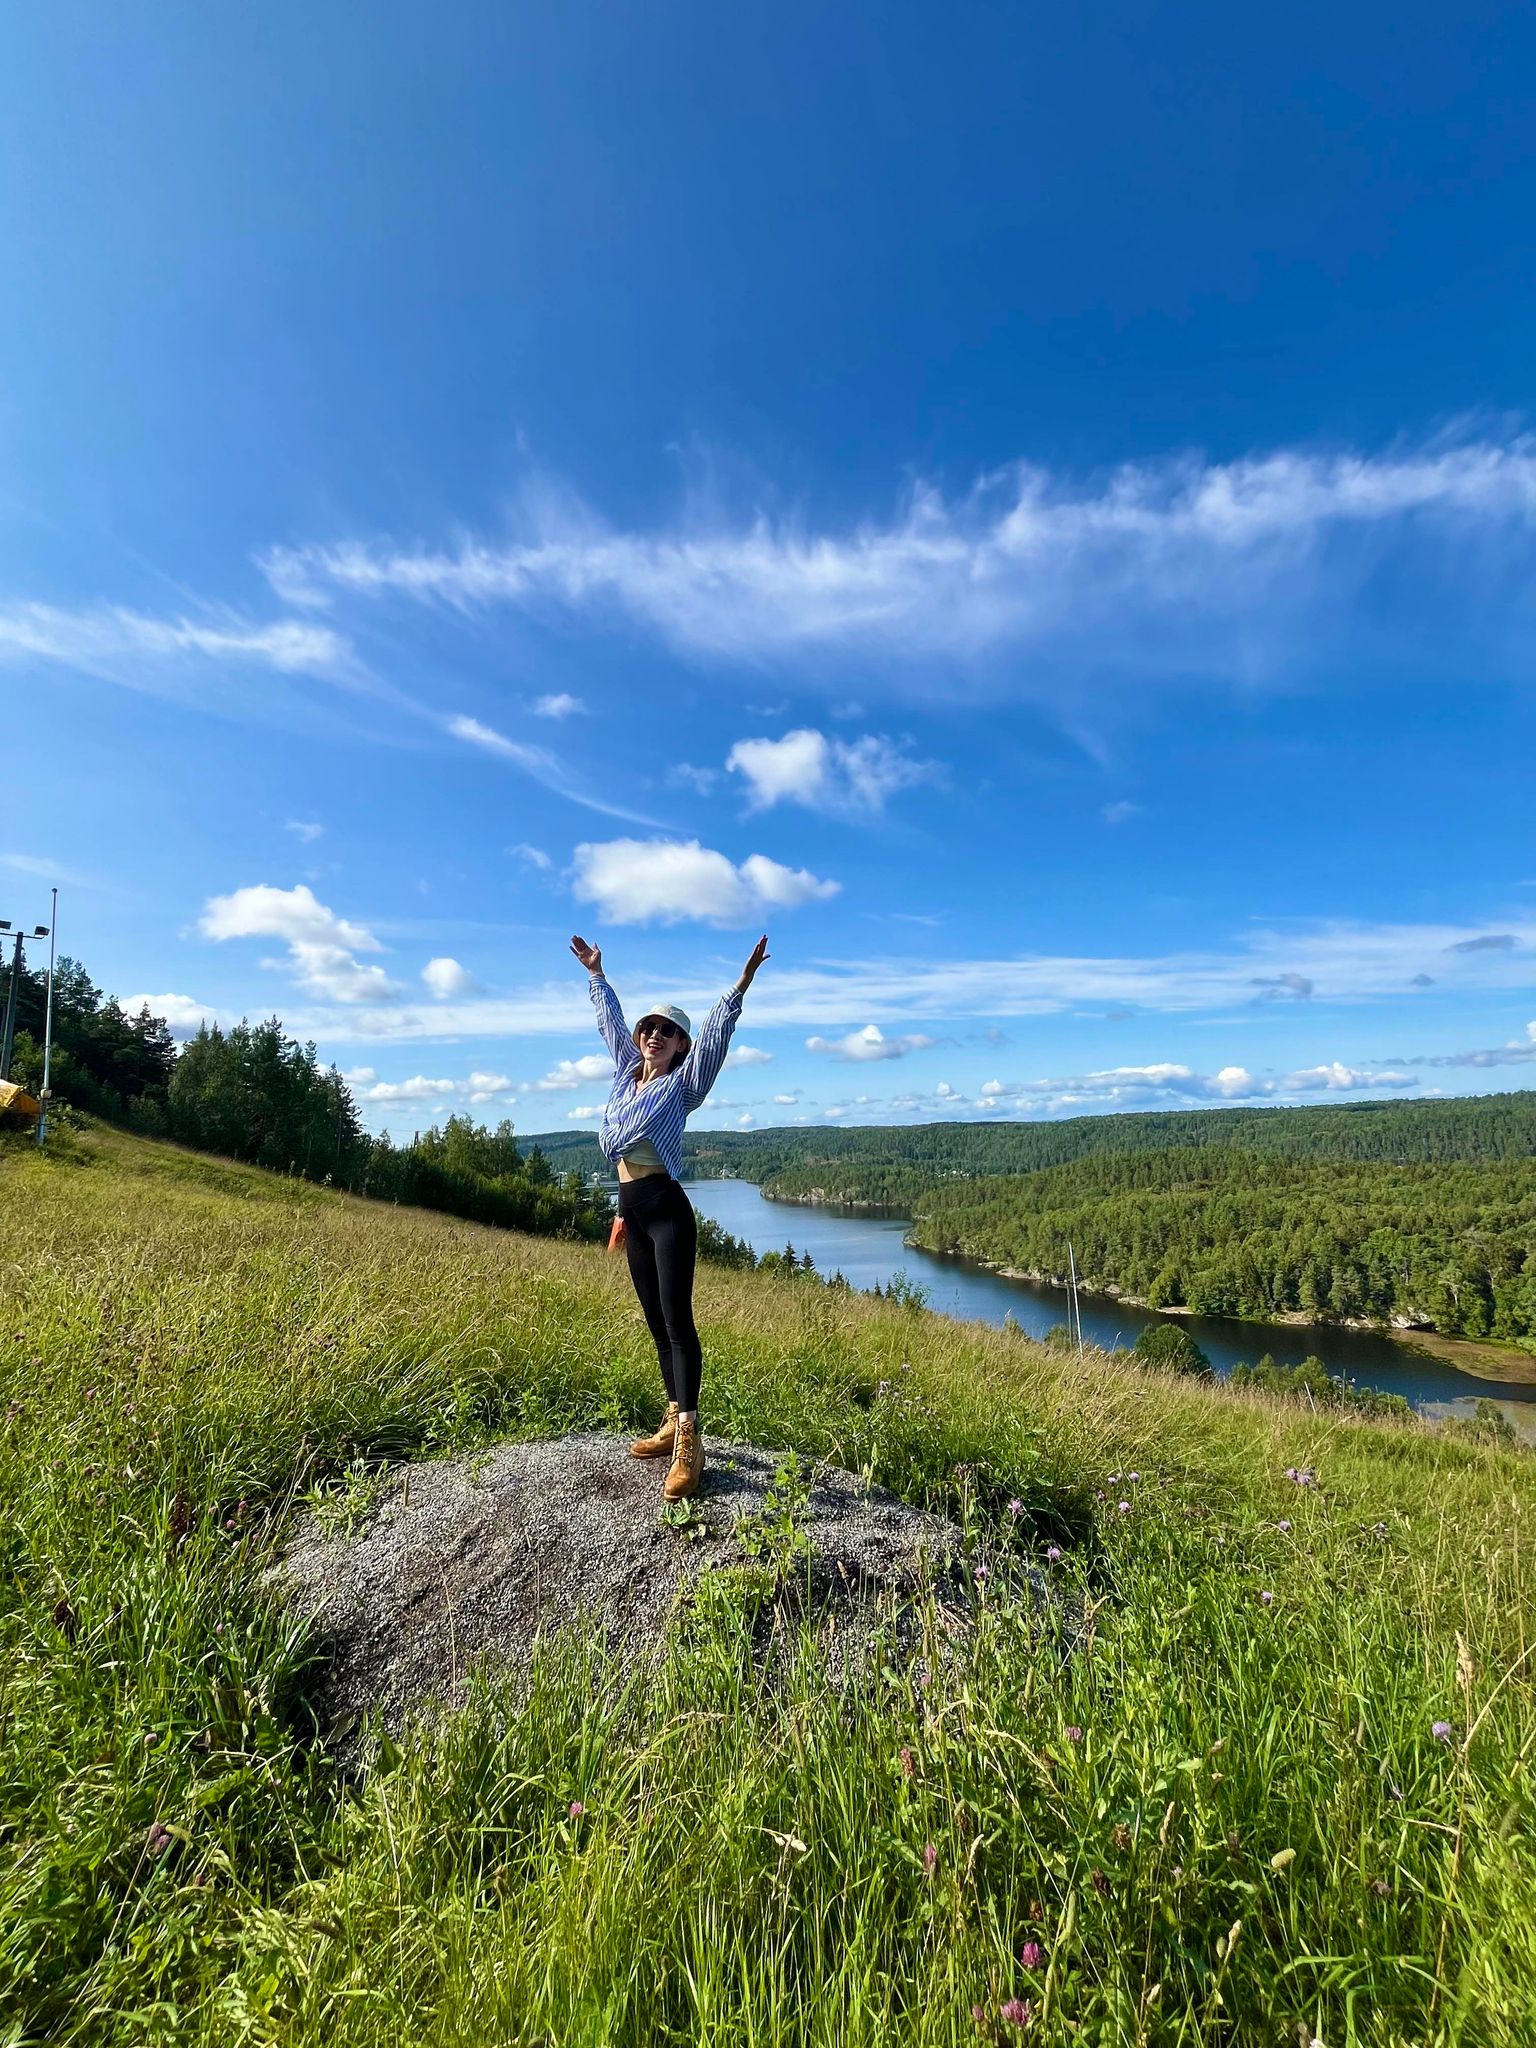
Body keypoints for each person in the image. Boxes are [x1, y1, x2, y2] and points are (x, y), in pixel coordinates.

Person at [570, 930, 769, 1499]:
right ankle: (670, 1418)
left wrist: (742, 984)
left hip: (667, 1212)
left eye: (669, 1031)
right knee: (657, 1325)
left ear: (681, 1046)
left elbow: (715, 1038)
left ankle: (691, 1442)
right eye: (650, 1028)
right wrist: (597, 976)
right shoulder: (623, 1075)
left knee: (679, 1324)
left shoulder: (684, 1087)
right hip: (633, 1212)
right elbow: (611, 1024)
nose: (656, 1035)